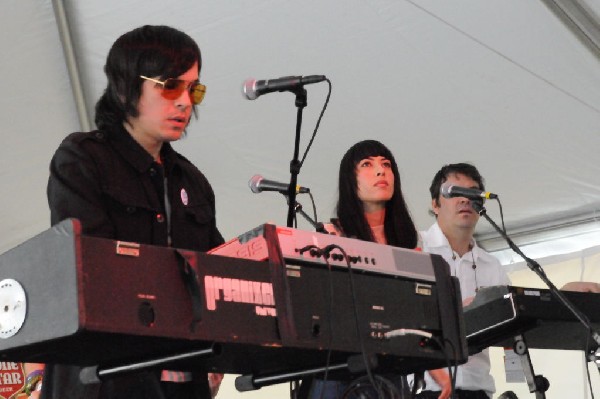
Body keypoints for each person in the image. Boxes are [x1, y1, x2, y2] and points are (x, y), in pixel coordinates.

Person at [33, 25, 224, 399]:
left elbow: (217, 270)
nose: (186, 101)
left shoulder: (192, 181)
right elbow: (94, 265)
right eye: (171, 86)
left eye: (194, 89)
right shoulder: (83, 158)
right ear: (125, 87)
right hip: (105, 380)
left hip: (184, 382)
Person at [308, 139, 418, 398]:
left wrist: (437, 370)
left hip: (390, 372)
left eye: (386, 164)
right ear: (350, 181)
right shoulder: (332, 238)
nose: (381, 171)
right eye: (367, 164)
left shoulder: (410, 247)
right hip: (337, 372)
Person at [416, 163, 510, 399]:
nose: (465, 199)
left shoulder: (492, 265)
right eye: (454, 192)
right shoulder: (415, 247)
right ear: (435, 204)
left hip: (478, 391)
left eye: (472, 193)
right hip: (427, 390)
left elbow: (511, 330)